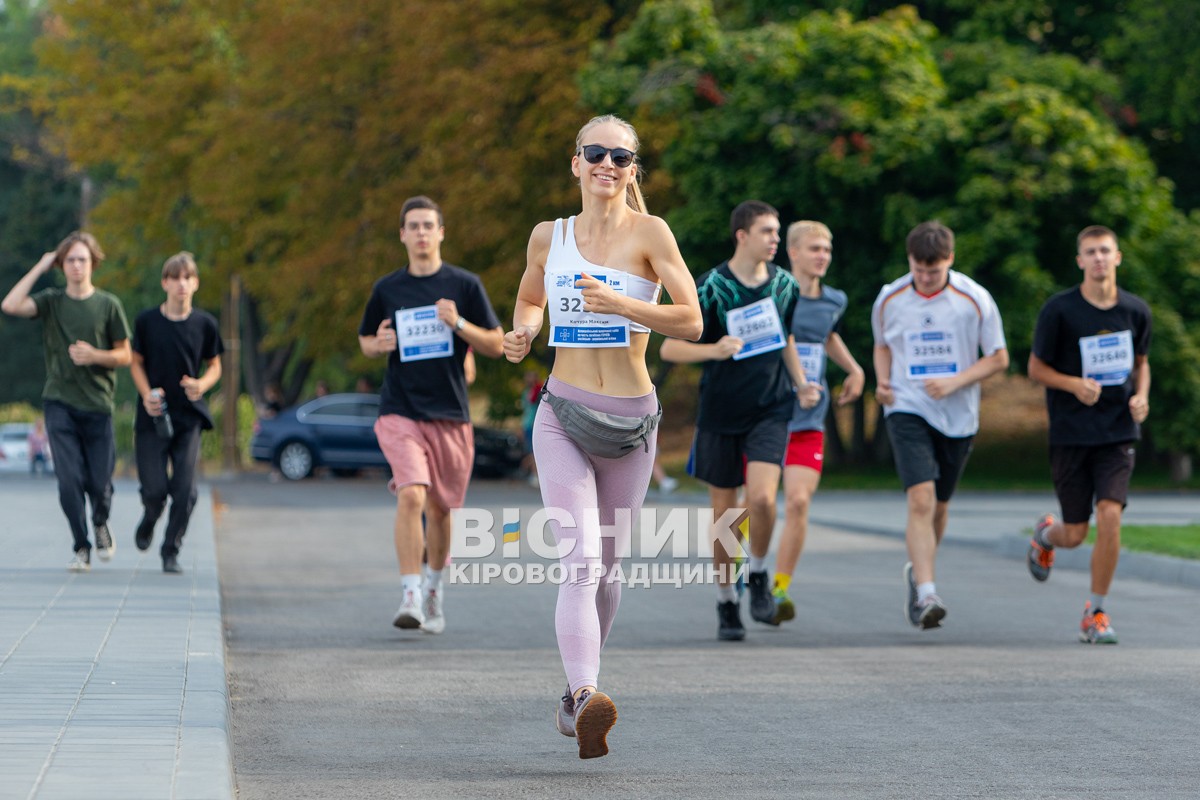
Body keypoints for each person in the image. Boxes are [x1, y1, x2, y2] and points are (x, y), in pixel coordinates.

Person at [503, 114, 701, 759]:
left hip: (632, 422)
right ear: (575, 162)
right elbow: (530, 297)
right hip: (562, 411)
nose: (607, 163)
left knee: (608, 571)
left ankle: (572, 700)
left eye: (621, 155)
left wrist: (624, 306)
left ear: (633, 168)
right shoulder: (548, 236)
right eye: (596, 152)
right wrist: (525, 331)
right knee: (581, 562)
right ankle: (588, 693)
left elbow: (693, 320)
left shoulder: (651, 233)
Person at [660, 200, 812, 642]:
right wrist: (713, 349)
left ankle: (759, 576)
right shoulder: (709, 287)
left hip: (771, 407)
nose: (775, 240)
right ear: (742, 235)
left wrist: (801, 382)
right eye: (767, 231)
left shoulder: (785, 285)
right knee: (727, 517)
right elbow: (670, 349)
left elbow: (788, 337)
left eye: (777, 232)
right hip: (721, 412)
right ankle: (727, 598)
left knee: (763, 501)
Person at [359, 195, 504, 635]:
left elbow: (497, 344)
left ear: (441, 233)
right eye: (414, 226)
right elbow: (366, 338)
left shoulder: (464, 285)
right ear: (402, 234)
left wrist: (459, 324)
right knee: (412, 493)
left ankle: (435, 590)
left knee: (441, 511)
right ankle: (409, 594)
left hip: (450, 415)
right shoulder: (387, 289)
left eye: (429, 225)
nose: (421, 233)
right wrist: (378, 344)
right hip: (400, 409)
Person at [872, 220, 1008, 630]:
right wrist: (882, 380)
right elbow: (882, 346)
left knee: (940, 505)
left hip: (958, 415)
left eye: (934, 271)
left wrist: (955, 381)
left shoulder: (973, 299)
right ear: (909, 261)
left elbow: (999, 357)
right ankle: (928, 591)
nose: (926, 278)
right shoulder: (889, 298)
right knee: (920, 499)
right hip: (906, 406)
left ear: (950, 260)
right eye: (918, 270)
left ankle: (918, 570)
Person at [1025, 225, 1151, 645]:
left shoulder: (1135, 311)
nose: (1099, 258)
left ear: (1118, 257)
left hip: (1116, 432)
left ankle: (1095, 611)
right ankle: (1046, 534)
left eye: (1105, 251)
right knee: (1075, 533)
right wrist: (1073, 385)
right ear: (1079, 260)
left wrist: (1142, 397)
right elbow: (1036, 369)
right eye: (1090, 252)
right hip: (1071, 433)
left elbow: (1141, 362)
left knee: (1111, 514)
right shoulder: (1059, 310)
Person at [1, 232, 131, 572]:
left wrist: (95, 355)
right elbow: (10, 305)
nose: (76, 266)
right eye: (70, 260)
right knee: (69, 480)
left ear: (93, 263)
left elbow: (125, 355)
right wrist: (40, 265)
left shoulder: (108, 305)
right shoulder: (51, 301)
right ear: (62, 265)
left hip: (98, 405)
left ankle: (101, 522)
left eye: (82, 259)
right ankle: (81, 545)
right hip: (59, 402)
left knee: (99, 484)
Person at [771, 221, 864, 624]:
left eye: (827, 248)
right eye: (814, 249)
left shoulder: (834, 300)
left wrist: (854, 369)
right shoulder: (772, 294)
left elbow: (825, 336)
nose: (822, 255)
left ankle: (779, 588)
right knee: (750, 505)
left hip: (809, 418)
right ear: (792, 252)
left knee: (798, 501)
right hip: (768, 417)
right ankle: (740, 576)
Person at [129, 252, 224, 574]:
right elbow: (135, 361)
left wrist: (202, 384)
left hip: (188, 418)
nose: (181, 284)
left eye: (188, 278)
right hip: (153, 417)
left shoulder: (205, 324)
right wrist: (145, 395)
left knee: (185, 492)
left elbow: (215, 366)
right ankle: (150, 517)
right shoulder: (146, 321)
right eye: (175, 277)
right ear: (165, 283)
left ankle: (171, 550)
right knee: (155, 490)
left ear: (195, 283)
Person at [520, 369, 543, 487]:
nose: (528, 379)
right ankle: (529, 468)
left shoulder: (539, 391)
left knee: (534, 451)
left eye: (530, 376)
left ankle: (535, 474)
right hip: (527, 424)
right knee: (530, 450)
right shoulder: (526, 392)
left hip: (535, 423)